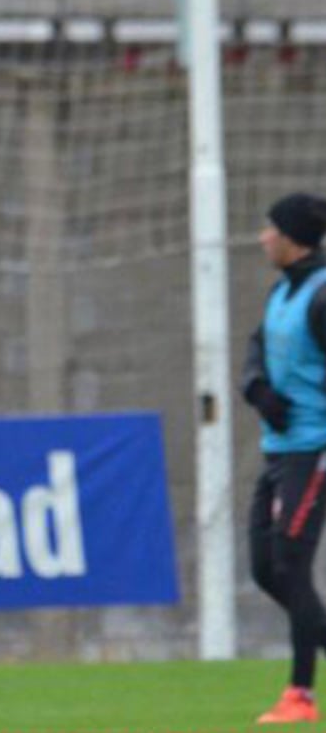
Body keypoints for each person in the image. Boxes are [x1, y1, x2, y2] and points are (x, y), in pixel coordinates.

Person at [242, 193, 326, 724]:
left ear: (293, 237)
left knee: (292, 561)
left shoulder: (322, 298)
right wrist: (257, 389)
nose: (262, 237)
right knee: (265, 567)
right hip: (277, 450)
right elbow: (257, 348)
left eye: (270, 228)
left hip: (312, 450)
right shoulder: (281, 294)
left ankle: (300, 694)